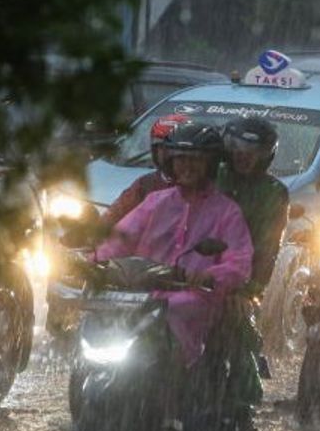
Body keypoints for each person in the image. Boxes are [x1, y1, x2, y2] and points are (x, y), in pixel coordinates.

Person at [96, 122, 253, 369]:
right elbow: (120, 238)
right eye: (180, 159)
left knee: (174, 309)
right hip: (142, 291)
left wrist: (207, 276)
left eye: (195, 160)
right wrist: (96, 262)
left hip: (194, 297)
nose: (186, 166)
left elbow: (239, 262)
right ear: (170, 162)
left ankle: (174, 373)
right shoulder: (155, 201)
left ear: (210, 164)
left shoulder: (227, 212)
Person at [212, 116, 289, 412]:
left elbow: (268, 247)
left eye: (252, 151)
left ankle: (242, 402)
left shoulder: (273, 192)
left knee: (239, 333)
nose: (243, 157)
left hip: (239, 282)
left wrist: (248, 290)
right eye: (236, 148)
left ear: (267, 155)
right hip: (189, 275)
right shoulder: (208, 176)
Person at [102, 113, 189, 226]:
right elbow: (112, 218)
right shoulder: (145, 185)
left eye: (172, 148)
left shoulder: (203, 186)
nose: (164, 154)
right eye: (160, 147)